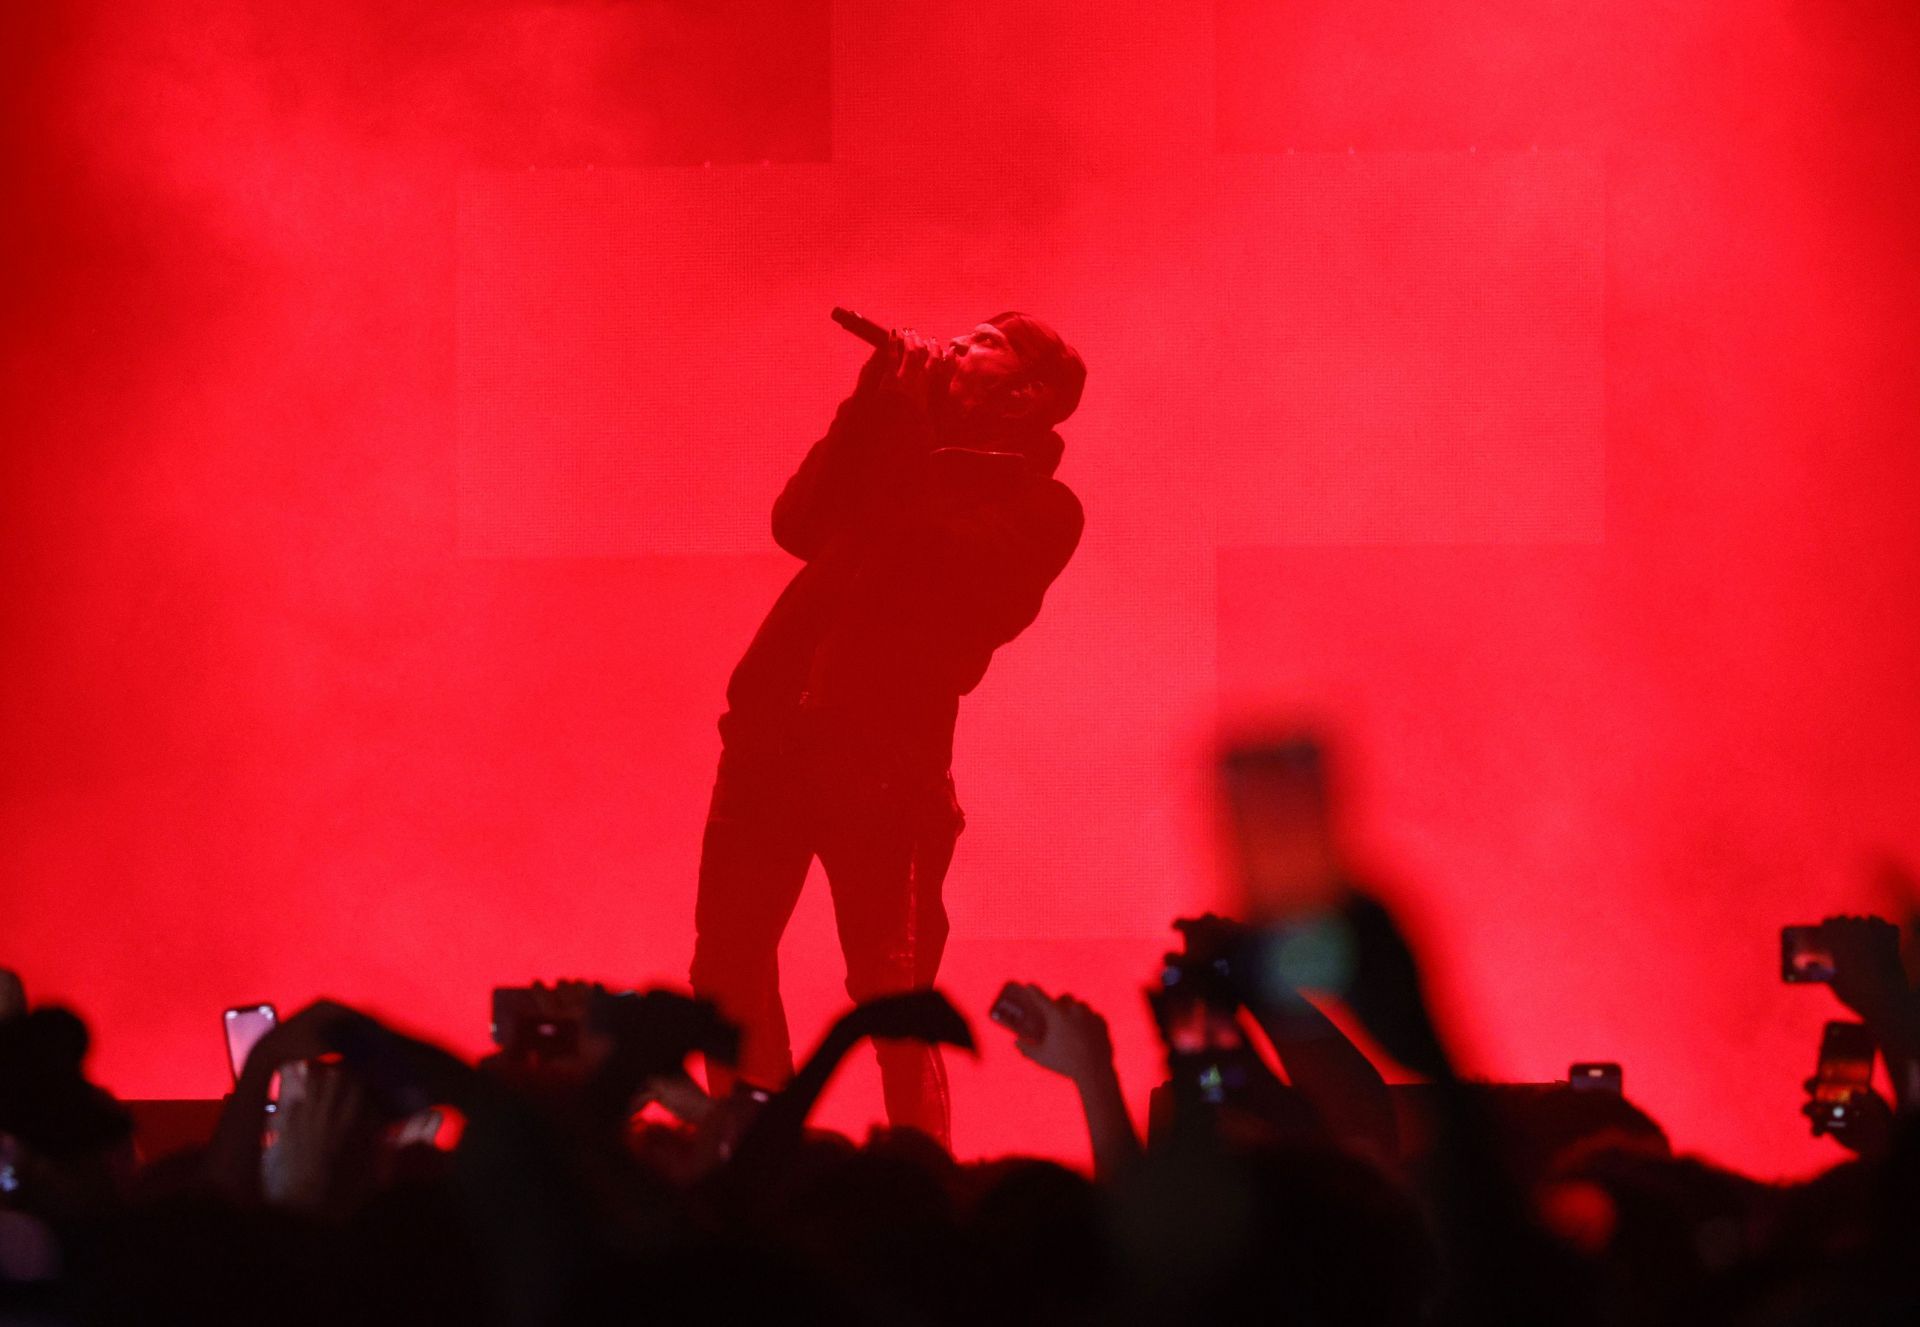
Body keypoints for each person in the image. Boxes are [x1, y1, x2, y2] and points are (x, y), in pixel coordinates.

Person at [689, 312, 1087, 1146]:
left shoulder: (1041, 508)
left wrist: (903, 423)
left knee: (893, 999)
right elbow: (796, 523)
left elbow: (919, 560)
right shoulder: (900, 444)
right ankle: (754, 1156)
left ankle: (924, 1184)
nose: (955, 345)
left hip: (881, 766)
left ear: (1025, 395)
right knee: (727, 965)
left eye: (984, 342)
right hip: (770, 741)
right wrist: (868, 405)